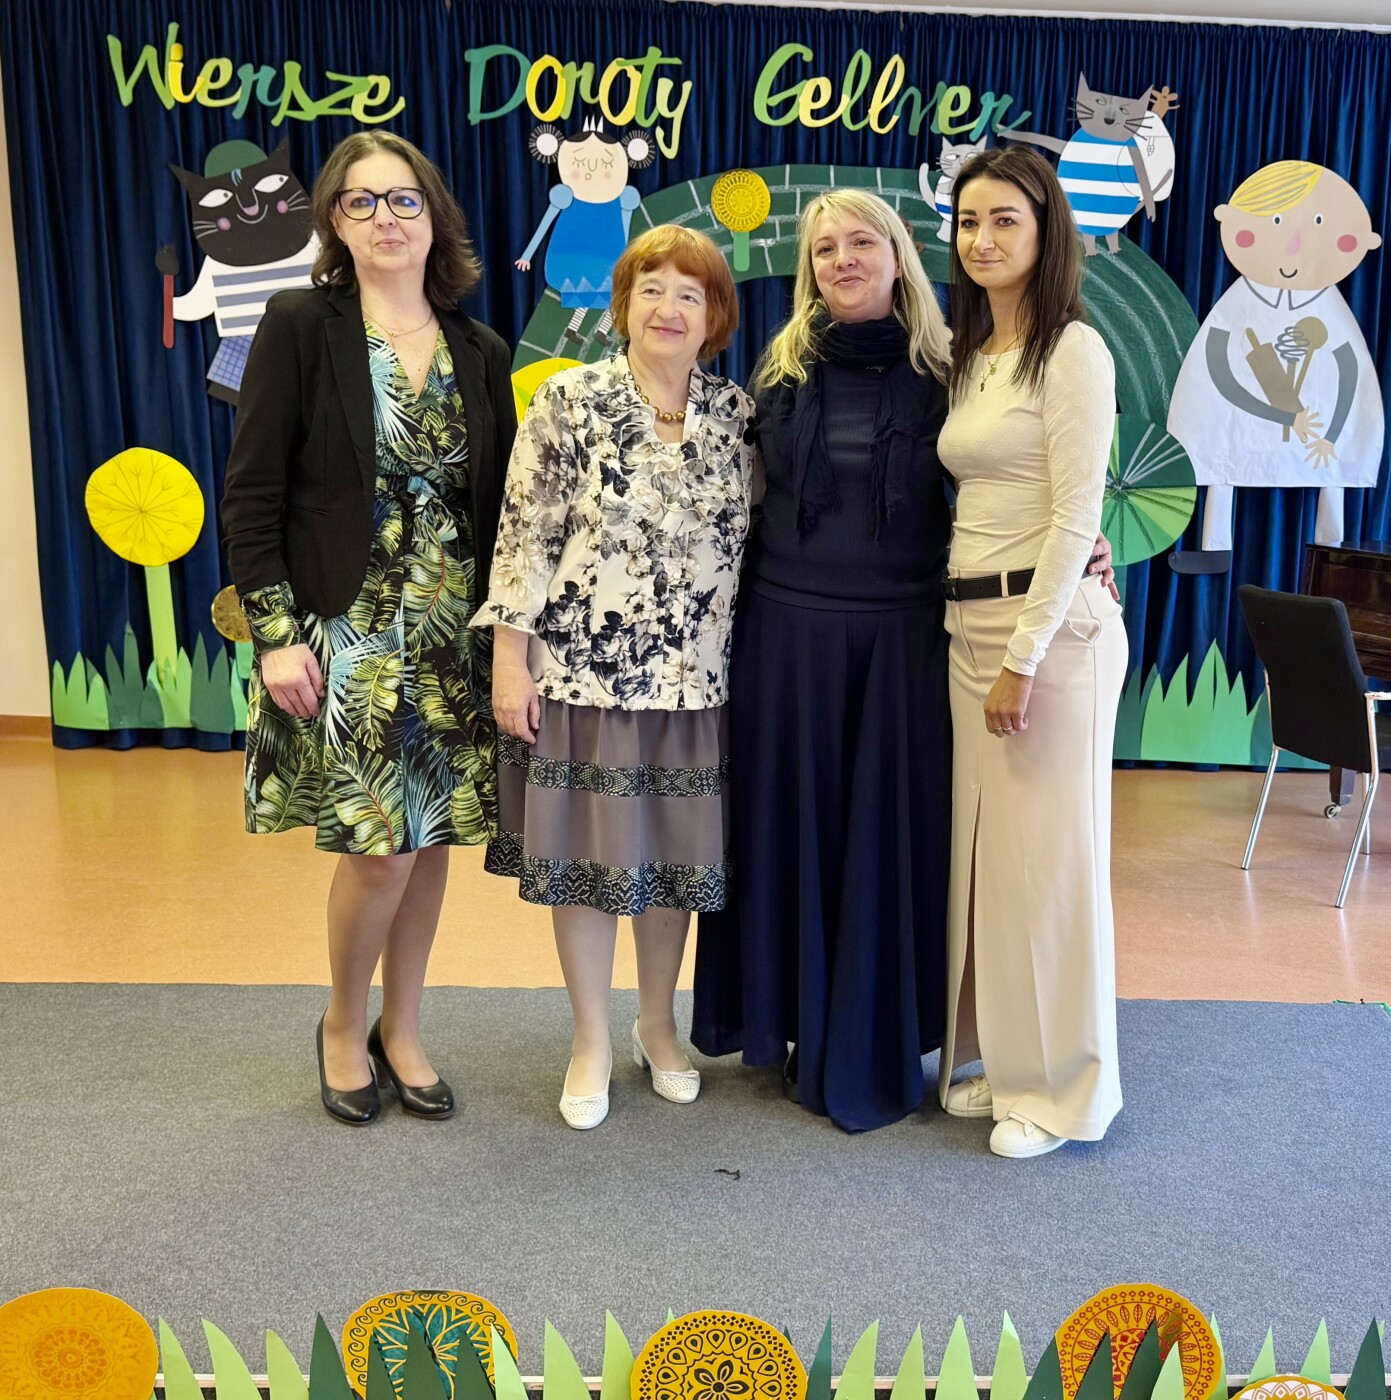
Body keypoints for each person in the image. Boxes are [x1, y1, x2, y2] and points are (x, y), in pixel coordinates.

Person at [221, 131, 516, 1125]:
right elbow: (252, 490)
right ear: (334, 224)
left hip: (452, 632)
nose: (384, 218)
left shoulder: (481, 349)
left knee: (429, 843)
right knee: (378, 847)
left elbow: (500, 511)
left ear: (434, 217)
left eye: (402, 200)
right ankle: (344, 1023)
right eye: (360, 201)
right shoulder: (300, 325)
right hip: (347, 631)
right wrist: (274, 633)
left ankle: (405, 1026)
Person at [473, 225, 754, 1130]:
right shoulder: (570, 400)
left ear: (714, 316)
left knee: (673, 869)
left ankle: (657, 1025)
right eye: (650, 289)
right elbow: (523, 536)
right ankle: (590, 1038)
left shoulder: (736, 415)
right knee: (591, 870)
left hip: (696, 686)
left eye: (689, 294)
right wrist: (509, 663)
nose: (668, 308)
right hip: (585, 679)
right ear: (622, 304)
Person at [690, 189, 956, 1133]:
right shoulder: (778, 377)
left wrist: (1084, 542)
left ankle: (874, 1036)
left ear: (898, 255)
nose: (842, 259)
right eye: (824, 247)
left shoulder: (951, 377)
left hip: (903, 644)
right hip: (786, 639)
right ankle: (791, 1021)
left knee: (885, 839)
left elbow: (1017, 480)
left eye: (860, 242)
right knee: (789, 832)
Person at [935, 145, 1127, 1158]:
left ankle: (1063, 1094)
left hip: (1046, 642)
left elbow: (1073, 515)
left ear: (1046, 231)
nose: (982, 238)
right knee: (988, 868)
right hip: (968, 629)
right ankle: (1002, 1060)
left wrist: (1023, 654)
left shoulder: (1072, 351)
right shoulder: (977, 353)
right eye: (968, 220)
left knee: (1049, 868)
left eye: (1004, 219)